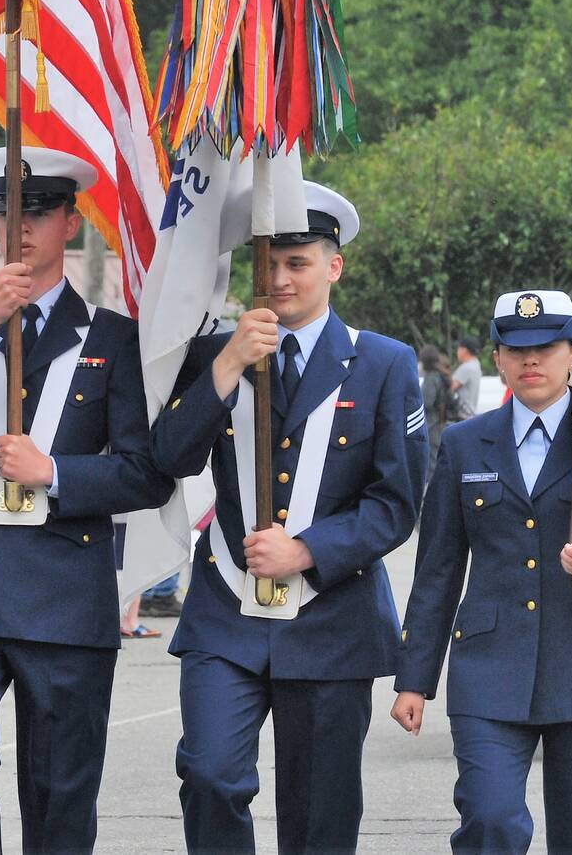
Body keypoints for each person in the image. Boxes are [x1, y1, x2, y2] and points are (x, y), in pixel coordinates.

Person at [0, 147, 172, 855]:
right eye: (6, 211)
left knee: (61, 794)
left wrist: (54, 470)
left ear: (69, 217)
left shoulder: (112, 339)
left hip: (65, 588)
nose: (20, 227)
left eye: (38, 211)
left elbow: (146, 474)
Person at [150, 182, 426, 855]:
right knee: (210, 774)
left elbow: (396, 502)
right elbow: (168, 457)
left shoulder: (384, 364)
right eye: (268, 260)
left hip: (331, 619)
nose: (278, 278)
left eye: (297, 262)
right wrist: (226, 365)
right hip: (226, 614)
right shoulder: (213, 352)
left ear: (334, 266)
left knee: (320, 810)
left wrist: (308, 549)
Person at [392, 289, 572, 855]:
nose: (530, 361)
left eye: (546, 347)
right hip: (491, 669)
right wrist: (415, 678)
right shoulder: (466, 445)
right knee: (490, 822)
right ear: (497, 358)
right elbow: (438, 568)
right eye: (516, 350)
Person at [421, 344, 457, 460]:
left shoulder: (431, 378)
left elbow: (427, 402)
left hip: (432, 424)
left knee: (431, 460)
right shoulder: (441, 376)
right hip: (441, 421)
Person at [451, 337, 483, 422]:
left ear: (464, 350)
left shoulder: (466, 368)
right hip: (470, 414)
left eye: (458, 349)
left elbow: (451, 388)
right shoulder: (476, 364)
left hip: (463, 415)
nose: (457, 352)